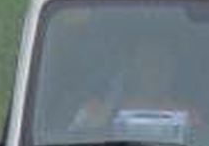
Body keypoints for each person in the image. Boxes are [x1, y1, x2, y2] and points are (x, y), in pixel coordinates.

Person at [72, 36, 201, 131]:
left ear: (173, 69)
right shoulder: (96, 110)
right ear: (132, 68)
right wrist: (101, 120)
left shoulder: (189, 116)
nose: (155, 71)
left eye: (161, 63)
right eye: (147, 63)